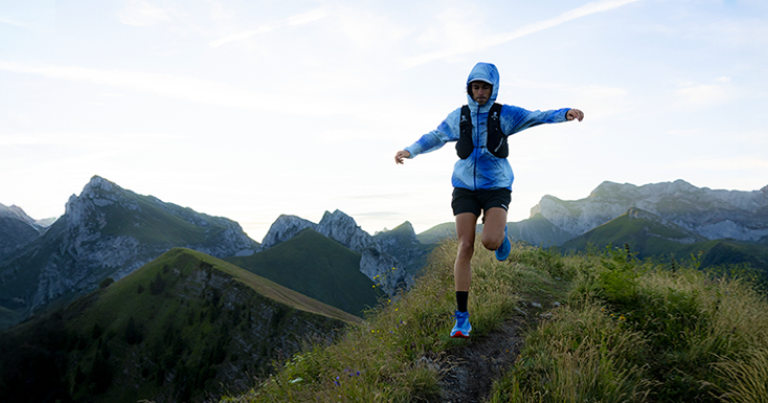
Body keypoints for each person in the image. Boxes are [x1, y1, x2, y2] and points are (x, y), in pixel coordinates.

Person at [394, 62, 584, 338]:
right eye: (475, 87)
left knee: (490, 242)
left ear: (492, 89)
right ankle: (461, 318)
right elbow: (435, 136)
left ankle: (500, 234)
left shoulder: (505, 115)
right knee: (465, 246)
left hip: (496, 186)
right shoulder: (459, 117)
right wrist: (410, 151)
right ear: (469, 88)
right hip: (464, 188)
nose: (480, 92)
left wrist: (564, 113)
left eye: (485, 87)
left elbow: (536, 116)